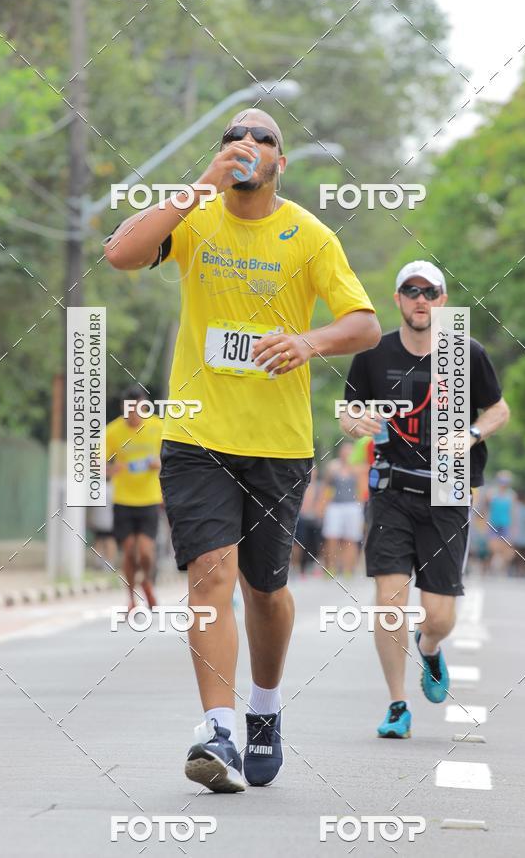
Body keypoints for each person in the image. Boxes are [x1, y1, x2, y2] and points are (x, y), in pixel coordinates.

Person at [104, 108, 381, 793]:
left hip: (277, 444)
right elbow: (121, 254)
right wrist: (200, 184)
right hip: (196, 437)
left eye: (263, 139)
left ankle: (264, 707)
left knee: (267, 590)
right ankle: (218, 730)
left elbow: (365, 324)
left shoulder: (308, 235)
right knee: (210, 575)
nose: (248, 144)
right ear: (220, 154)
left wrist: (309, 341)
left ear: (281, 163)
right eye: (234, 137)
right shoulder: (194, 217)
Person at [340, 260, 510, 739]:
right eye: (411, 291)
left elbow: (499, 410)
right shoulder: (374, 352)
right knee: (389, 600)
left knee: (440, 617)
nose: (420, 299)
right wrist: (356, 423)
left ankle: (430, 648)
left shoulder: (464, 351)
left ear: (442, 300)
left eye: (430, 292)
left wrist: (471, 434)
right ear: (397, 298)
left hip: (448, 488)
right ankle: (397, 705)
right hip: (391, 488)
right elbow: (348, 412)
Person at [105, 386, 164, 611]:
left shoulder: (157, 426)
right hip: (123, 500)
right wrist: (110, 469)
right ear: (123, 409)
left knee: (146, 552)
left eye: (139, 409)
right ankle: (131, 597)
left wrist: (159, 462)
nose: (134, 415)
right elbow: (96, 462)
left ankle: (146, 581)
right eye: (130, 410)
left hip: (150, 499)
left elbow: (171, 455)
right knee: (129, 551)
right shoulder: (113, 431)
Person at [321, 441, 366, 575]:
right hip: (335, 505)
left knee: (351, 539)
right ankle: (330, 568)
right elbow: (326, 487)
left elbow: (362, 489)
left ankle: (348, 569)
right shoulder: (333, 467)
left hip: (352, 506)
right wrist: (322, 505)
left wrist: (361, 508)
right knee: (331, 537)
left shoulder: (357, 468)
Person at [292, 466, 324, 575]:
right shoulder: (299, 485)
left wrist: (316, 512)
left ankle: (312, 564)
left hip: (314, 519)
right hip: (301, 518)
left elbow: (321, 503)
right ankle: (296, 566)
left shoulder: (318, 487)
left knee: (316, 542)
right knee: (298, 543)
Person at [485, 471, 516, 572]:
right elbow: (486, 509)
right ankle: (495, 562)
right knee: (493, 546)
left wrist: (513, 527)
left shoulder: (511, 495)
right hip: (493, 523)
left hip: (505, 524)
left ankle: (501, 567)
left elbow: (513, 512)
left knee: (505, 547)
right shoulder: (491, 493)